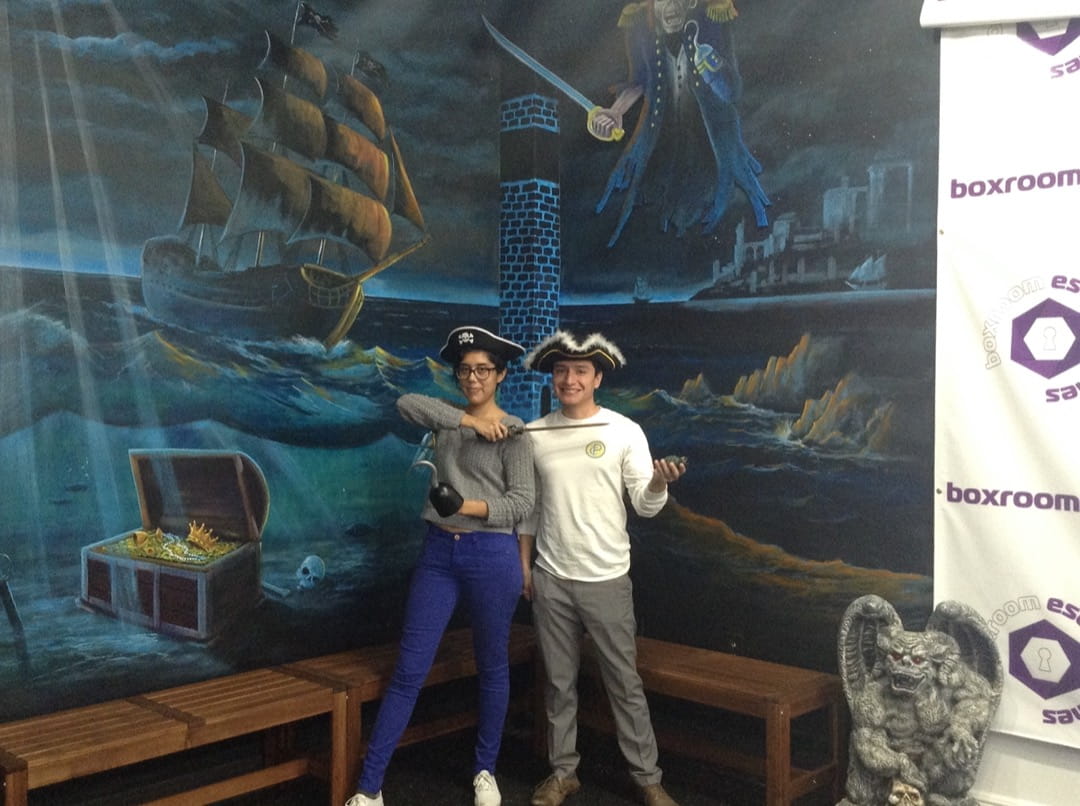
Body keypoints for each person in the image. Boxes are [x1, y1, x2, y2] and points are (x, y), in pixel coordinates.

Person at [345, 326, 535, 806]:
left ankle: (485, 770)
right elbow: (406, 403)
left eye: (484, 370)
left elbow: (522, 504)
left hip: (492, 555)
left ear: (501, 374)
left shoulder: (516, 433)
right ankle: (369, 789)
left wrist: (465, 506)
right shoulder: (448, 420)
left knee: (492, 666)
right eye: (465, 370)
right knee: (409, 670)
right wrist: (469, 423)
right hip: (438, 555)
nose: (474, 378)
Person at [519, 331, 687, 806]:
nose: (569, 380)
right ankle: (563, 773)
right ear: (553, 377)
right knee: (558, 683)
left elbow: (645, 506)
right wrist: (525, 568)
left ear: (597, 378)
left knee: (623, 683)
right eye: (561, 371)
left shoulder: (623, 431)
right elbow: (530, 509)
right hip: (551, 578)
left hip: (607, 579)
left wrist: (658, 483)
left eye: (580, 371)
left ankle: (648, 778)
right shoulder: (534, 434)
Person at [590, 0, 769, 246]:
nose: (672, 5)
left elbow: (732, 91)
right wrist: (615, 112)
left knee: (706, 223)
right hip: (661, 145)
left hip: (710, 149)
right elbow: (639, 80)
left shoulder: (713, 17)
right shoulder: (640, 25)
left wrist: (711, 66)